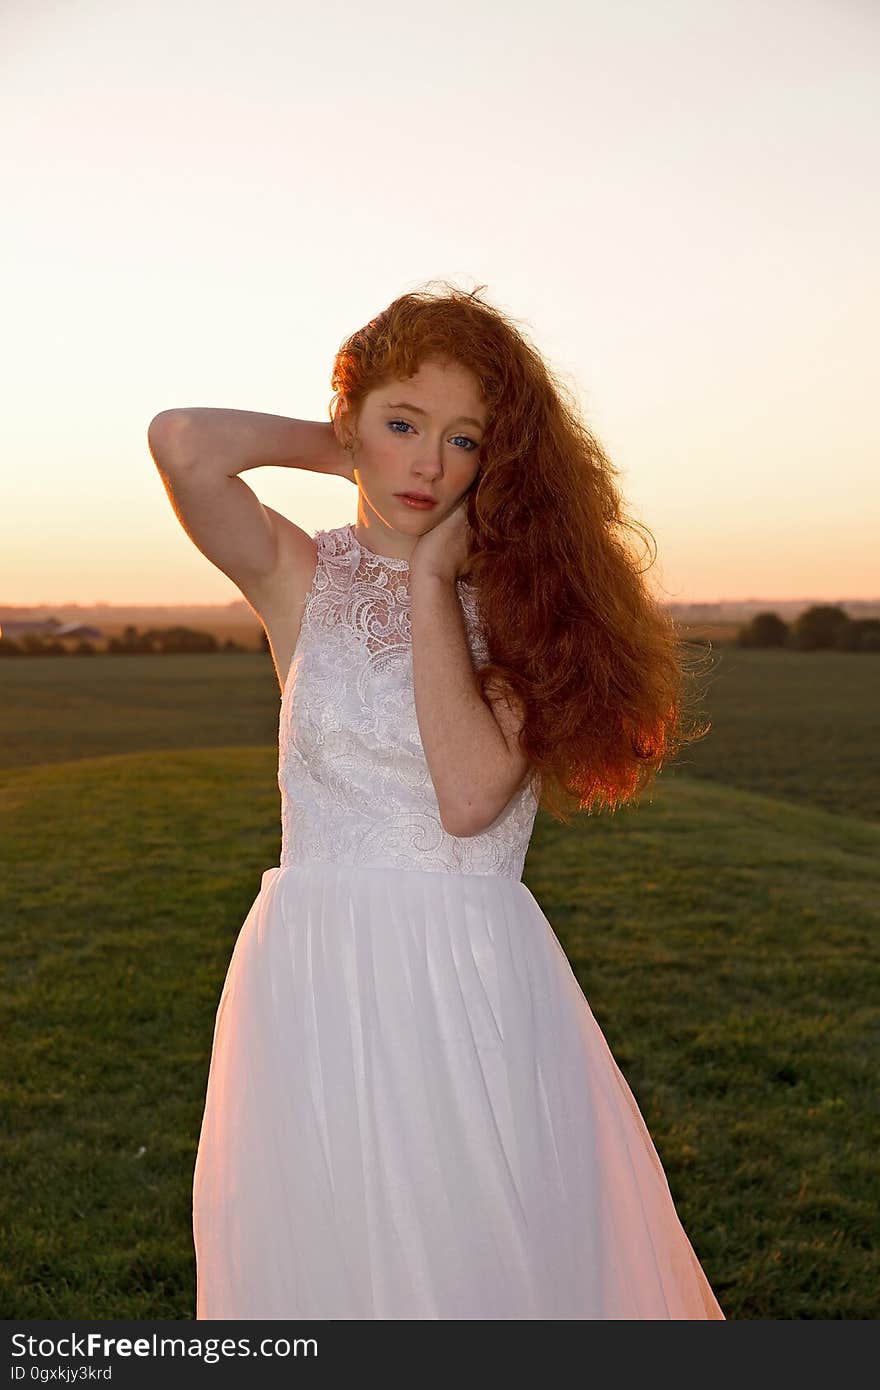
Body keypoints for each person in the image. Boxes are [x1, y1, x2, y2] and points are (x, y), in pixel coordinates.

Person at [148, 280, 725, 1320]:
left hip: (467, 980)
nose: (427, 462)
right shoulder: (298, 575)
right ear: (353, 422)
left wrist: (429, 585)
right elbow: (182, 440)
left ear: (499, 459)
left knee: (476, 1265)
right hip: (311, 973)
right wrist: (343, 447)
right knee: (328, 1260)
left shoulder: (528, 611)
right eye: (402, 423)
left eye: (464, 440)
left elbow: (467, 797)